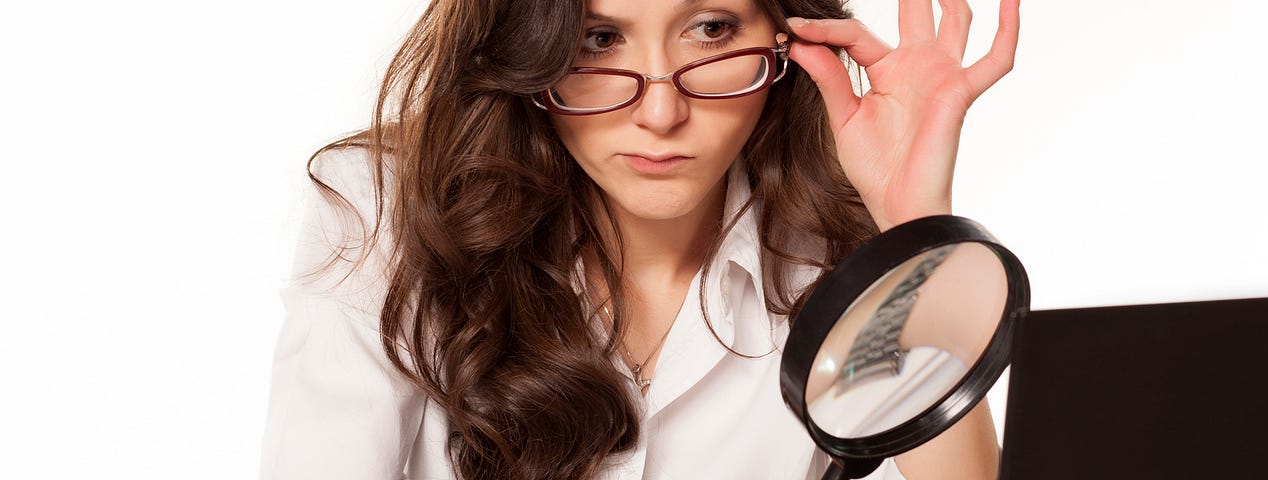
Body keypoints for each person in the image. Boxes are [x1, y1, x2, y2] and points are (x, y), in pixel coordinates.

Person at [259, 0, 1020, 478]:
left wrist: (912, 223)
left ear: (789, 38)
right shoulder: (387, 214)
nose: (659, 112)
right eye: (597, 38)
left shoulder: (830, 256)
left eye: (712, 30)